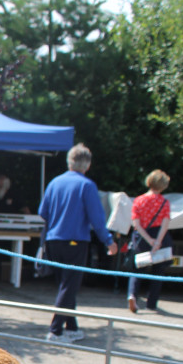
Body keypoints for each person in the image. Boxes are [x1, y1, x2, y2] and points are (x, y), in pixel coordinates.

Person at [37, 143, 117, 343]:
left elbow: (43, 212)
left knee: (66, 286)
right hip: (75, 241)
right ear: (87, 165)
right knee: (69, 286)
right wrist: (108, 241)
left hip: (53, 241)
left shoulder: (54, 182)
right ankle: (55, 331)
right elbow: (97, 218)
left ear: (69, 162)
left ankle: (71, 328)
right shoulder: (86, 185)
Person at [126, 169, 172, 314]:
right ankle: (152, 304)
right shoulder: (164, 203)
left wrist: (148, 240)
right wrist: (157, 242)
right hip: (160, 236)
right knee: (158, 272)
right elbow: (165, 224)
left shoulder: (138, 200)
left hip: (142, 237)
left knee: (137, 270)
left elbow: (136, 224)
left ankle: (132, 295)